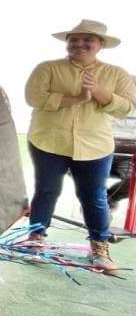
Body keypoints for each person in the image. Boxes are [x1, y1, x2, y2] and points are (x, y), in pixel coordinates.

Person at [25, 19, 135, 273]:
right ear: (68, 43)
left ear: (101, 45)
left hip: (95, 146)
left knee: (93, 197)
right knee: (46, 191)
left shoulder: (117, 74)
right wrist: (75, 98)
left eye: (88, 40)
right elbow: (34, 97)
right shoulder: (48, 68)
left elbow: (127, 107)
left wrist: (98, 91)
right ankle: (35, 241)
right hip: (48, 142)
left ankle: (100, 249)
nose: (80, 44)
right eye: (74, 39)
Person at [108, 75, 136, 209]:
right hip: (98, 154)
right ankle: (96, 202)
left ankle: (109, 199)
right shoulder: (105, 104)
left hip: (127, 159)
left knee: (133, 179)